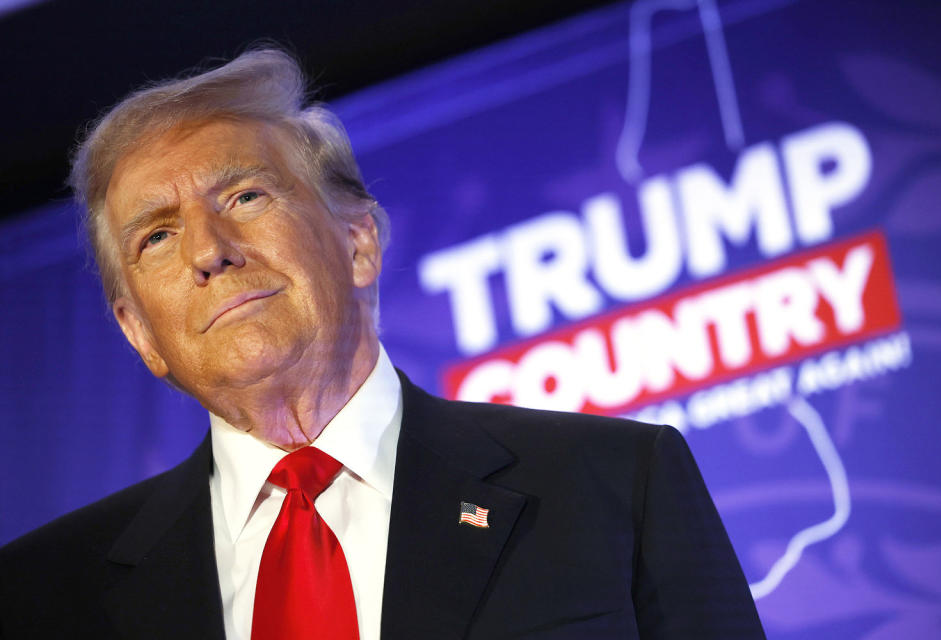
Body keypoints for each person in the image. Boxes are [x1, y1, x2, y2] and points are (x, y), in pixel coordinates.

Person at [0, 49, 765, 639]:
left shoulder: (615, 485)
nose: (209, 249)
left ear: (357, 240)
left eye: (245, 196)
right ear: (140, 333)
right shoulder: (40, 598)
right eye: (157, 236)